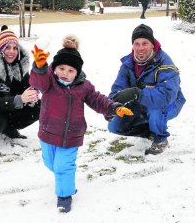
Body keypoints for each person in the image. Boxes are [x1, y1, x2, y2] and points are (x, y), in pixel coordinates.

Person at [29, 35, 133, 213]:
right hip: (48, 133)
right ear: (54, 68)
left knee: (63, 166)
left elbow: (97, 100)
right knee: (50, 163)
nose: (65, 73)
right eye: (61, 68)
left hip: (72, 134)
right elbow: (36, 82)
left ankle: (64, 196)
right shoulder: (49, 82)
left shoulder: (83, 87)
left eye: (71, 70)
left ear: (77, 72)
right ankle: (65, 179)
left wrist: (114, 108)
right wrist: (39, 67)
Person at [107, 24, 186, 155]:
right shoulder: (128, 64)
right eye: (136, 44)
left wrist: (137, 93)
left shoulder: (165, 64)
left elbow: (166, 96)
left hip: (170, 103)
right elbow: (117, 89)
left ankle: (160, 139)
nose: (140, 48)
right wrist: (111, 106)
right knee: (115, 126)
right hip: (142, 102)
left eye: (145, 43)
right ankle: (149, 132)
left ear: (152, 44)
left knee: (155, 108)